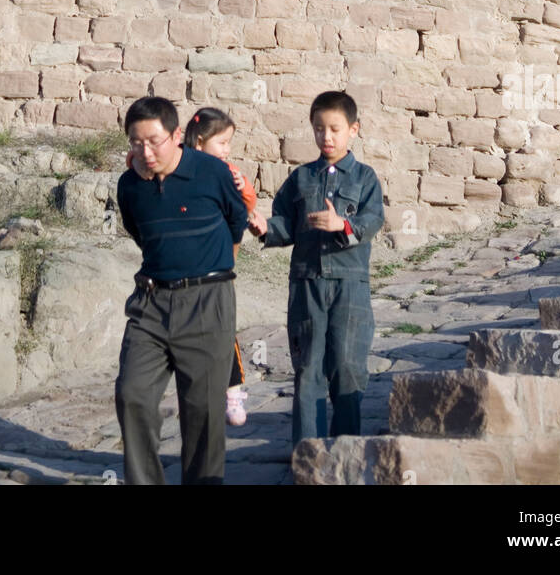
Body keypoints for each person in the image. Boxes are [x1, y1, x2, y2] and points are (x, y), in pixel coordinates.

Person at [114, 96, 248, 485]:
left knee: (202, 413)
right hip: (151, 303)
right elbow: (141, 233)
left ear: (176, 135)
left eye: (153, 140)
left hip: (208, 301)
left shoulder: (211, 172)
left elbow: (235, 221)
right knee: (132, 394)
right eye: (136, 142)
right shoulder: (130, 185)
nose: (145, 151)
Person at [247, 90, 384, 447]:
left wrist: (342, 225)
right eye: (319, 129)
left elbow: (373, 219)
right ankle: (307, 457)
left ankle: (345, 453)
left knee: (348, 368)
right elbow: (285, 224)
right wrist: (264, 227)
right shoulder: (301, 179)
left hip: (349, 285)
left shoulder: (365, 178)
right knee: (308, 370)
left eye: (335, 129)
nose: (327, 137)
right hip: (306, 285)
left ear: (353, 130)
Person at [183, 107, 257, 426]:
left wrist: (242, 189)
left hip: (218, 261)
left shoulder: (228, 172)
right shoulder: (179, 168)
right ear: (199, 143)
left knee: (223, 326)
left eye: (228, 143)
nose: (227, 150)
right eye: (222, 143)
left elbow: (248, 204)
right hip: (185, 265)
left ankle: (233, 389)